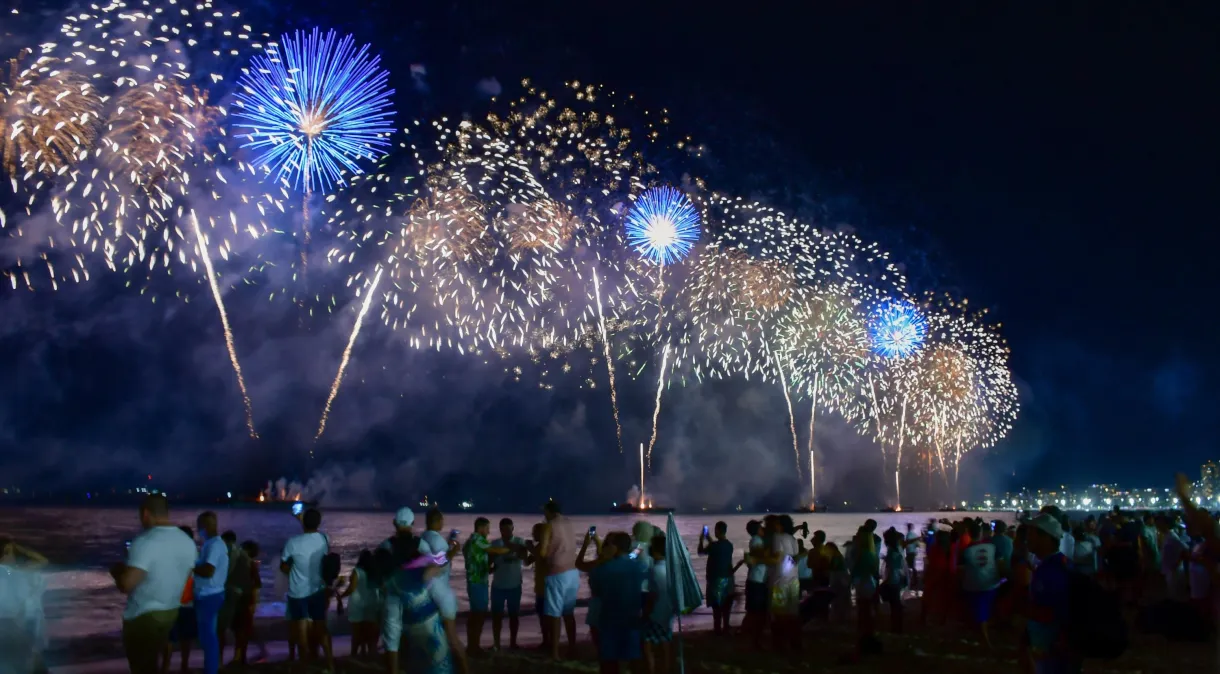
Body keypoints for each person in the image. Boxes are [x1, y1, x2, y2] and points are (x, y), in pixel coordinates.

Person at [111, 495, 196, 674]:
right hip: (170, 611)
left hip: (144, 615)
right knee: (152, 664)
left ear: (146, 514)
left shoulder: (145, 541)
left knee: (141, 667)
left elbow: (126, 585)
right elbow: (186, 575)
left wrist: (117, 570)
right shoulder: (187, 542)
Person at [385, 533, 469, 674]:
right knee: (439, 665)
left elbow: (392, 622)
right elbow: (441, 561)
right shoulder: (421, 569)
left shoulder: (392, 580)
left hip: (411, 630)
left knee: (418, 664)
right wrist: (452, 551)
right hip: (431, 628)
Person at [280, 507, 333, 671]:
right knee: (321, 629)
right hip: (317, 590)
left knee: (301, 634)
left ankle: (305, 667)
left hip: (298, 593)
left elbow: (283, 566)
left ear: (303, 523)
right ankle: (331, 666)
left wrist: (293, 572)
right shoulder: (324, 539)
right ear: (319, 523)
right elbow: (313, 534)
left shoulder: (292, 543)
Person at [1026, 513, 1081, 674]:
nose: (1027, 538)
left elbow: (1057, 611)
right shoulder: (1060, 563)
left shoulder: (1051, 570)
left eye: (1031, 534)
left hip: (1052, 649)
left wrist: (1025, 609)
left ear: (1046, 538)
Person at [588, 532, 646, 674]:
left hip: (609, 619)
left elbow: (595, 591)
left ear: (614, 547)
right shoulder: (639, 566)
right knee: (634, 658)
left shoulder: (601, 569)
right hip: (632, 618)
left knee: (608, 660)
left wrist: (603, 558)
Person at [462, 517, 517, 654]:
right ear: (480, 528)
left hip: (475, 580)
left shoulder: (470, 542)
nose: (488, 531)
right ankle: (474, 647)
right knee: (479, 615)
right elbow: (495, 551)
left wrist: (489, 569)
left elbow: (476, 560)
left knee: (475, 614)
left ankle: (472, 645)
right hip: (477, 582)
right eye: (487, 528)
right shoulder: (478, 540)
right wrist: (511, 548)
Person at [536, 501, 578, 659]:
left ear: (548, 511)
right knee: (568, 613)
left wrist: (534, 549)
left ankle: (555, 652)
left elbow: (542, 552)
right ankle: (572, 647)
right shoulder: (569, 523)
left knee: (554, 614)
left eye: (544, 511)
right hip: (573, 572)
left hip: (557, 573)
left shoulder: (549, 525)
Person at [0, 537, 49, 673]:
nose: (14, 555)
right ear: (4, 553)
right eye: (11, 552)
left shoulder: (13, 571)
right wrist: (19, 547)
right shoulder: (15, 571)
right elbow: (43, 561)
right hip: (14, 626)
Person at [192, 512, 228, 674]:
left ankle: (211, 669)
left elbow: (208, 570)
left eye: (199, 527)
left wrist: (190, 566)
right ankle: (211, 667)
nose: (198, 530)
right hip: (210, 594)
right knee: (208, 636)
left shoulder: (214, 545)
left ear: (205, 527)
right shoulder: (212, 544)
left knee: (208, 637)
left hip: (209, 595)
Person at [378, 507, 415, 666]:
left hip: (392, 595)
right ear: (412, 523)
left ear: (394, 523)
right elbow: (434, 564)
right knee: (411, 633)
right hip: (413, 596)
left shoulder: (385, 545)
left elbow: (376, 570)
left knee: (392, 637)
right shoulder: (419, 544)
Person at [761, 515, 801, 652]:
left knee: (778, 614)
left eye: (777, 524)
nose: (775, 526)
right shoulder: (793, 539)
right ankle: (795, 642)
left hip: (780, 580)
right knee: (792, 613)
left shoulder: (777, 538)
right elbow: (796, 557)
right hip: (794, 579)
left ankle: (779, 644)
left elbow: (776, 557)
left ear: (782, 525)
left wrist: (762, 558)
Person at [960, 520, 999, 649]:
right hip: (992, 584)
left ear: (969, 533)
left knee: (980, 614)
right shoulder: (991, 547)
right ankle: (984, 637)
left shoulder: (967, 551)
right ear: (981, 533)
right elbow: (1000, 563)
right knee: (985, 613)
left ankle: (985, 641)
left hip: (974, 586)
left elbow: (961, 570)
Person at [490, 517, 528, 650]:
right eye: (504, 529)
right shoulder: (495, 543)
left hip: (515, 585)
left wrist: (511, 547)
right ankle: (496, 643)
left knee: (514, 616)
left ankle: (513, 642)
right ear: (500, 530)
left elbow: (525, 557)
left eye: (509, 529)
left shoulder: (519, 541)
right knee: (496, 617)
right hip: (498, 586)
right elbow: (489, 564)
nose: (507, 532)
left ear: (513, 528)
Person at [165, 526, 197, 674]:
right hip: (188, 601)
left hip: (171, 601)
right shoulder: (195, 554)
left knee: (169, 638)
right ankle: (184, 666)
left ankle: (165, 668)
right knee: (186, 637)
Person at [337, 550, 380, 657]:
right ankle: (368, 653)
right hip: (372, 603)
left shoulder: (357, 571)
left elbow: (352, 588)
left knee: (356, 632)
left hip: (357, 604)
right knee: (368, 631)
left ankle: (355, 653)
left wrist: (341, 596)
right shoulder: (375, 572)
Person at [696, 521, 735, 635]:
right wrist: (709, 538)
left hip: (716, 581)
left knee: (717, 608)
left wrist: (701, 539)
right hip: (728, 580)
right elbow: (717, 547)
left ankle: (717, 630)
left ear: (717, 530)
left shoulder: (713, 546)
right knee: (726, 608)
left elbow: (701, 552)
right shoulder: (729, 545)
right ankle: (726, 628)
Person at [217, 530, 249, 665]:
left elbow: (223, 573)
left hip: (229, 593)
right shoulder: (244, 554)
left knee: (220, 629)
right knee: (239, 629)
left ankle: (218, 660)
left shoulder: (227, 552)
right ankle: (239, 657)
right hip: (242, 594)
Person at [643, 533, 674, 674]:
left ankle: (652, 670)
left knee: (647, 644)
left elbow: (650, 594)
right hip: (667, 612)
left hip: (654, 613)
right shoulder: (671, 569)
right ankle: (666, 669)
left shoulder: (637, 547)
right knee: (665, 643)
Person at [231, 540, 264, 665]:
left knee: (241, 631)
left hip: (244, 601)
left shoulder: (249, 565)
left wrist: (253, 603)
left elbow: (256, 586)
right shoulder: (248, 564)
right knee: (243, 630)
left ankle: (239, 657)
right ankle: (241, 656)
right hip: (244, 600)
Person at [850, 525, 881, 655]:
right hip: (869, 582)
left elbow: (855, 568)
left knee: (863, 609)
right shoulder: (872, 553)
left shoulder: (861, 554)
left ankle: (865, 633)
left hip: (863, 582)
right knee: (866, 609)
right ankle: (868, 632)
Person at [741, 519, 768, 648]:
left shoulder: (756, 540)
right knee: (755, 611)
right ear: (757, 530)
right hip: (756, 580)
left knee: (754, 611)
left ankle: (746, 635)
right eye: (761, 527)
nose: (763, 529)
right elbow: (759, 557)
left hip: (757, 579)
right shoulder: (757, 540)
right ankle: (747, 636)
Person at [525, 522, 549, 652]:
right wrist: (524, 551)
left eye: (534, 532)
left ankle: (548, 641)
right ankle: (546, 640)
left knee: (546, 615)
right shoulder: (539, 546)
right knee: (541, 614)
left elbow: (541, 558)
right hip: (540, 586)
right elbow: (527, 562)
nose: (532, 534)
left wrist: (530, 548)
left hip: (546, 587)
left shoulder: (546, 547)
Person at [879, 530, 907, 633]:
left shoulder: (892, 551)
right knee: (896, 604)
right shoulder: (897, 550)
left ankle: (896, 628)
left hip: (893, 580)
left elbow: (892, 568)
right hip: (897, 579)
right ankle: (897, 627)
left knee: (894, 605)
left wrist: (886, 581)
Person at [903, 523, 921, 589]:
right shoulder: (913, 534)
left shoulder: (909, 534)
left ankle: (914, 580)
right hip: (912, 552)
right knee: (911, 566)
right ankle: (914, 579)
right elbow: (918, 544)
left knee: (910, 566)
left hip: (910, 552)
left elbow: (907, 542)